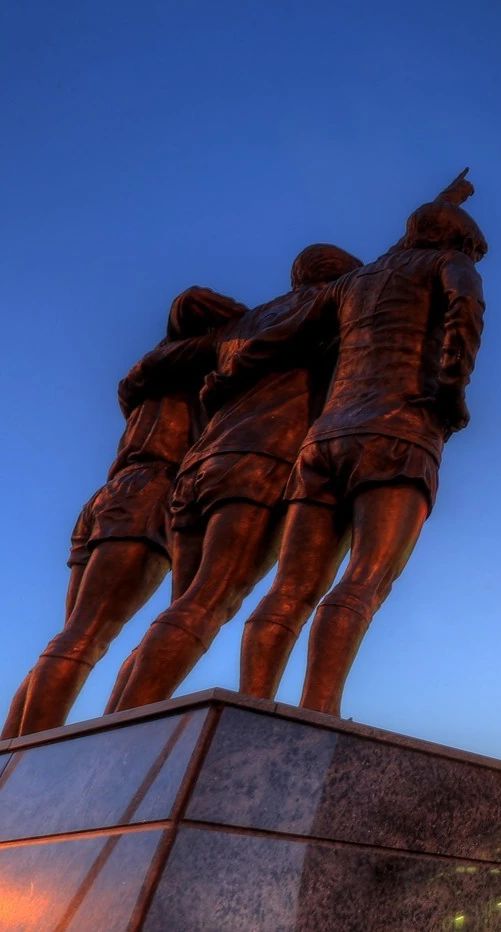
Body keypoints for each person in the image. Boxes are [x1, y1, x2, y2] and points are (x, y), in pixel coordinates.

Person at [238, 172, 486, 714]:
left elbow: (283, 332)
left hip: (323, 442)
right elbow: (464, 310)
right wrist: (451, 391)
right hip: (400, 433)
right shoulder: (450, 264)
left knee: (289, 588)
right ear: (461, 242)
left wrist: (229, 369)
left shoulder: (355, 282)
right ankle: (318, 713)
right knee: (365, 580)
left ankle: (249, 708)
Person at [107, 244, 363, 711]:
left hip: (197, 470)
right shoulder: (328, 310)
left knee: (186, 607)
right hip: (259, 462)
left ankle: (116, 724)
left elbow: (152, 369)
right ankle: (124, 731)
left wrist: (189, 321)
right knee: (211, 600)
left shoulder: (242, 324)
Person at [6, 287, 246, 737]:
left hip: (110, 494)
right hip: (151, 491)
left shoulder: (146, 374)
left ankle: (12, 752)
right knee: (86, 636)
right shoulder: (205, 358)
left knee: (75, 636)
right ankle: (29, 758)